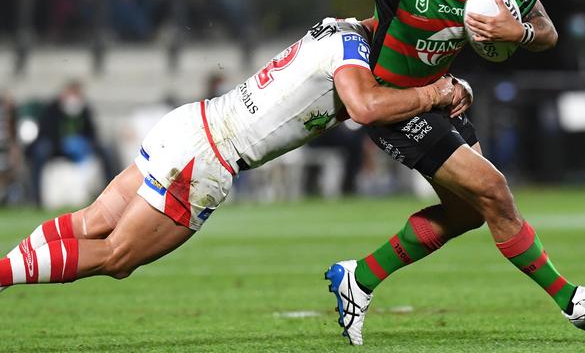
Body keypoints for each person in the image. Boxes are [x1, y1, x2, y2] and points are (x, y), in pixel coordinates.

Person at [193, 0, 585, 344]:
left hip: (439, 99)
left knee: (468, 213)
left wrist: (521, 32)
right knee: (494, 191)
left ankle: (359, 278)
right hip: (394, 106)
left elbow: (547, 32)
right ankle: (573, 302)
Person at [0, 17, 471, 302]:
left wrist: (443, 90)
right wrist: (437, 90)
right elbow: (368, 105)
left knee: (91, 222)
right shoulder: (355, 58)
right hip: (209, 155)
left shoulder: (340, 28)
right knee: (117, 256)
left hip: (190, 122)